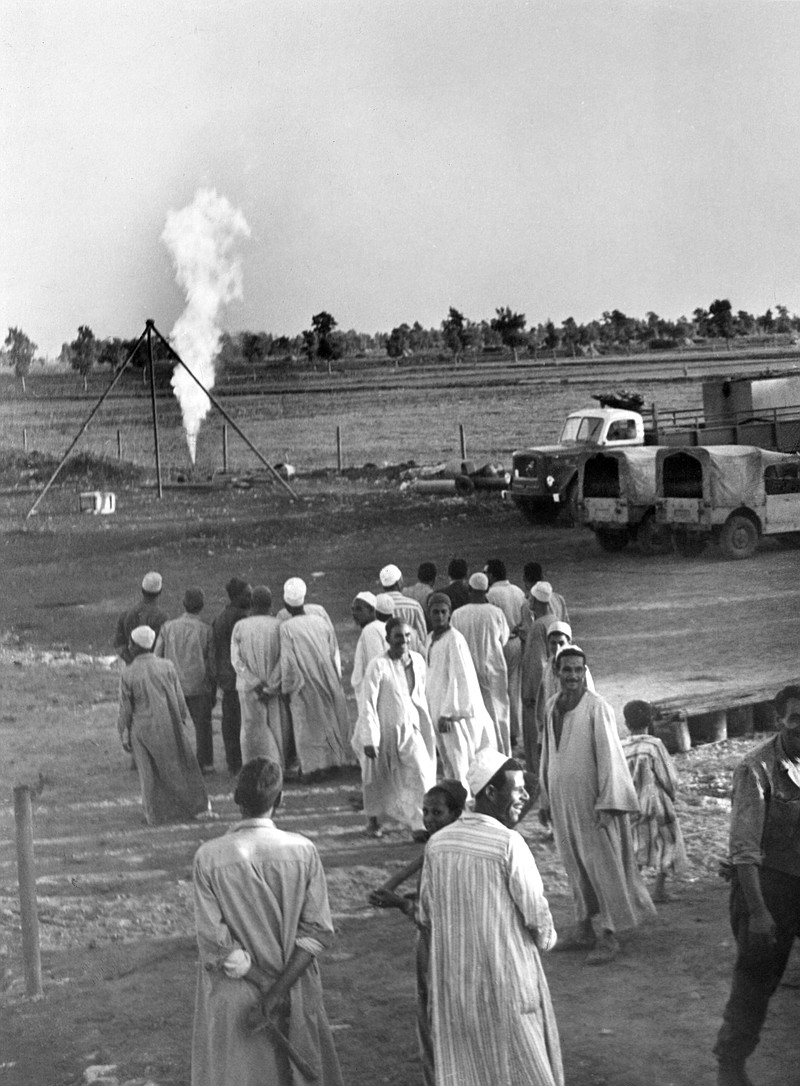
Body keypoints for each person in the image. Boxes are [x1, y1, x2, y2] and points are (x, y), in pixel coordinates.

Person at [191, 757, 344, 1086]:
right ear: (280, 800)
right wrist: (278, 990)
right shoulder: (304, 851)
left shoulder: (209, 856)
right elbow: (317, 932)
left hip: (238, 994)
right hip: (295, 985)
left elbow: (216, 944)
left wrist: (262, 983)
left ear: (235, 798)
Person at [419, 749, 563, 1086]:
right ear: (491, 793)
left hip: (456, 982)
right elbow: (537, 918)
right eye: (517, 790)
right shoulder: (508, 843)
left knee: (468, 1065)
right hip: (507, 978)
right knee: (523, 1061)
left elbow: (426, 913)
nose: (524, 796)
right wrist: (546, 940)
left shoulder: (438, 844)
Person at [539, 645, 655, 964]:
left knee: (602, 866)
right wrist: (546, 797)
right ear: (557, 672)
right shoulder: (551, 706)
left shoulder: (597, 707)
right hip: (563, 800)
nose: (573, 676)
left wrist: (608, 802)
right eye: (567, 670)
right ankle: (583, 928)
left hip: (593, 802)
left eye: (578, 670)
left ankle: (609, 934)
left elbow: (610, 757)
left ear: (584, 672)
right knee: (573, 863)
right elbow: (549, 754)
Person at [713, 684, 800, 1086]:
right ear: (780, 719)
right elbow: (744, 851)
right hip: (767, 890)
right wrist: (760, 913)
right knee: (755, 982)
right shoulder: (757, 768)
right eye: (795, 718)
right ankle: (730, 1065)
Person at [368, 780, 467, 1086]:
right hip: (429, 946)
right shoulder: (436, 847)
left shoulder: (452, 851)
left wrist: (400, 903)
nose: (428, 819)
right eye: (425, 812)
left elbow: (437, 914)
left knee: (441, 1024)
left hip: (447, 948)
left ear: (457, 814)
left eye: (437, 812)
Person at [351, 618, 436, 839]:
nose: (404, 641)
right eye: (398, 636)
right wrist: (370, 738)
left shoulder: (417, 661)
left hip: (412, 730)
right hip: (382, 731)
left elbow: (421, 695)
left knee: (420, 773)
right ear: (388, 639)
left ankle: (420, 825)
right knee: (376, 779)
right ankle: (374, 820)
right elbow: (367, 702)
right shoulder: (378, 665)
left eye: (407, 636)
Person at [117, 625, 211, 824]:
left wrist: (123, 733)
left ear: (134, 646)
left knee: (148, 773)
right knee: (180, 766)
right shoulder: (167, 665)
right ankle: (196, 807)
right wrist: (181, 719)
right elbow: (178, 698)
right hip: (169, 722)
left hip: (142, 728)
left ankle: (155, 815)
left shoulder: (129, 672)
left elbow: (125, 708)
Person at [279, 577, 351, 777]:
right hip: (326, 676)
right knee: (328, 718)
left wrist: (286, 687)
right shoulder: (320, 619)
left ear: (286, 604)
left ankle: (311, 769)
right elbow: (333, 648)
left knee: (306, 724)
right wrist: (335, 676)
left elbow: (288, 662)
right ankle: (334, 762)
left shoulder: (287, 627)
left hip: (304, 681)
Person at [425, 592, 496, 791]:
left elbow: (461, 677)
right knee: (447, 762)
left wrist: (449, 713)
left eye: (443, 612)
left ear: (449, 614)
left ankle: (466, 805)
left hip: (454, 715)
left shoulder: (454, 639)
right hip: (436, 709)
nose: (439, 616)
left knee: (460, 763)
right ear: (429, 614)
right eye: (435, 612)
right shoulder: (430, 638)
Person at [621, 699, 687, 903]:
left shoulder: (620, 746)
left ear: (626, 723)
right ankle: (658, 889)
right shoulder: (653, 745)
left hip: (629, 803)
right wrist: (671, 794)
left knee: (636, 845)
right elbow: (668, 776)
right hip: (655, 801)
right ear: (650, 722)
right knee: (669, 842)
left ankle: (633, 891)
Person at [154, 587, 215, 774]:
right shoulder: (206, 630)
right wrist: (212, 686)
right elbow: (211, 662)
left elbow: (157, 656)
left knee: (172, 726)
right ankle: (205, 763)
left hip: (173, 683)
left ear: (184, 604)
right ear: (202, 606)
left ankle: (175, 763)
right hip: (198, 683)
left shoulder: (168, 627)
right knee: (202, 725)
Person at [450, 572, 511, 754]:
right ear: (486, 591)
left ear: (469, 590)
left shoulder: (458, 614)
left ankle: (481, 755)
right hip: (493, 667)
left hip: (468, 669)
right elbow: (504, 638)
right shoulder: (496, 613)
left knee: (475, 714)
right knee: (499, 712)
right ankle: (503, 753)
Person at [527, 621, 595, 778]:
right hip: (554, 725)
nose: (557, 648)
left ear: (569, 642)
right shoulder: (548, 667)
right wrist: (540, 736)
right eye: (553, 643)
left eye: (561, 643)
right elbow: (542, 703)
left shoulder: (578, 668)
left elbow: (589, 698)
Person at [231, 585, 288, 766]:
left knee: (251, 729)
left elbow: (236, 661)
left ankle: (252, 765)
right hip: (273, 689)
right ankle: (277, 766)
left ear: (251, 603)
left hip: (249, 689)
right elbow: (284, 659)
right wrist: (271, 685)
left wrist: (254, 682)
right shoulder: (279, 626)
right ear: (270, 604)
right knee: (276, 728)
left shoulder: (240, 626)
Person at [211, 577, 252, 775]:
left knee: (230, 720)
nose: (250, 597)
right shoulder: (240, 618)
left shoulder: (222, 616)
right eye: (247, 594)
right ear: (238, 597)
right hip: (238, 676)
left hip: (226, 676)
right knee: (243, 720)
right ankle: (240, 763)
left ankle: (233, 762)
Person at [485, 558, 527, 745]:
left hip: (500, 643)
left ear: (492, 575)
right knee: (514, 687)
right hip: (516, 641)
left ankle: (503, 730)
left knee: (499, 688)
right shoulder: (518, 591)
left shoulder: (491, 594)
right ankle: (514, 731)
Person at [114, 571, 169, 665]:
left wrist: (131, 662)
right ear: (160, 592)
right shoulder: (163, 618)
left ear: (142, 590)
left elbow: (119, 645)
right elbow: (163, 649)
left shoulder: (125, 614)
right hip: (153, 666)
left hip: (129, 665)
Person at [349, 591, 386, 709]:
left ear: (371, 611)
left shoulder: (370, 631)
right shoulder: (379, 626)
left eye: (359, 609)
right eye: (353, 609)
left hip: (373, 699)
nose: (354, 613)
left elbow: (375, 667)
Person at [378, 564, 427, 651]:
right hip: (409, 657)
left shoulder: (376, 606)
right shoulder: (414, 606)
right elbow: (423, 638)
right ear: (399, 582)